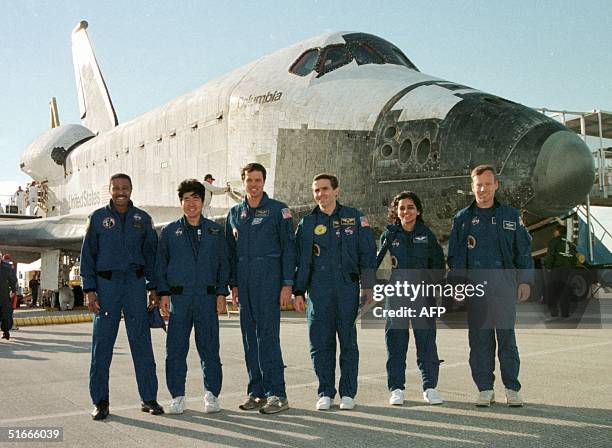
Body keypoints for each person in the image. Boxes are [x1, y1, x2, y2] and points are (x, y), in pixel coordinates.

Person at [448, 165, 533, 407]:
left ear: (496, 185)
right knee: (480, 340)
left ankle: (512, 388)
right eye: (478, 185)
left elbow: (523, 251)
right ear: (472, 187)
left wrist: (525, 280)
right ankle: (485, 388)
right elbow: (455, 256)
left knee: (507, 338)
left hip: (504, 285)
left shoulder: (510, 215)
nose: (483, 189)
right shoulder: (463, 218)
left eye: (487, 184)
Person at [80, 173, 164, 420]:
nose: (120, 192)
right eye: (116, 188)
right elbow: (88, 256)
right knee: (102, 346)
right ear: (109, 189)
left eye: (125, 187)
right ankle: (101, 402)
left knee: (142, 344)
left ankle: (149, 398)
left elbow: (152, 257)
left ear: (131, 189)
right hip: (107, 287)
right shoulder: (97, 218)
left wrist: (153, 288)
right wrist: (89, 290)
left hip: (135, 286)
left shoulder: (143, 219)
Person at [293, 174, 377, 411]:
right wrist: (299, 292)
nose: (321, 194)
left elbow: (367, 254)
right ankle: (325, 392)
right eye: (316, 190)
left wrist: (369, 287)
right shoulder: (307, 224)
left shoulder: (355, 217)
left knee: (348, 343)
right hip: (318, 291)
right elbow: (301, 260)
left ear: (336, 190)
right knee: (320, 344)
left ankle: (348, 393)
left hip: (347, 289)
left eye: (325, 189)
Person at [225, 163, 296, 414]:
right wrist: (233, 285)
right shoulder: (235, 212)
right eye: (249, 180)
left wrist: (287, 284)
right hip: (244, 286)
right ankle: (256, 393)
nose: (253, 185)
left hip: (269, 283)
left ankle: (277, 393)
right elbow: (230, 254)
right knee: (249, 341)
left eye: (258, 180)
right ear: (242, 182)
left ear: (264, 182)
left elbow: (289, 249)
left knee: (268, 339)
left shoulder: (279, 211)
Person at [156, 179, 229, 414]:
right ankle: (177, 396)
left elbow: (223, 265)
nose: (191, 203)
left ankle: (212, 395)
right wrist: (163, 294)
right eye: (186, 199)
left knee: (210, 349)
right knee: (176, 350)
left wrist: (221, 293)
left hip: (207, 298)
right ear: (180, 202)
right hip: (179, 299)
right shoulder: (169, 232)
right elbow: (160, 265)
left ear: (203, 201)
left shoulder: (216, 231)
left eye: (195, 198)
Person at [377, 191, 445, 406]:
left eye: (410, 207)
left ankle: (430, 387)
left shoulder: (427, 235)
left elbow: (438, 266)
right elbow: (379, 266)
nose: (406, 211)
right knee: (396, 342)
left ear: (418, 210)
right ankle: (396, 388)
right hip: (396, 296)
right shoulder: (389, 235)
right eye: (402, 208)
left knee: (426, 341)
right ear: (396, 211)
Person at [544, 225, 576, 318]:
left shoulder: (554, 241)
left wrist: (548, 266)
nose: (554, 233)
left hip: (556, 269)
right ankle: (565, 313)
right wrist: (571, 268)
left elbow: (550, 255)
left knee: (553, 290)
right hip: (567, 270)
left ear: (558, 231)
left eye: (555, 231)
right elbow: (574, 258)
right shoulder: (570, 243)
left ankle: (554, 312)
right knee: (565, 291)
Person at [0, 253, 17, 340]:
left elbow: (13, 280)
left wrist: (13, 290)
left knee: (5, 315)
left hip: (4, 295)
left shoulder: (7, 267)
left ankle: (6, 332)